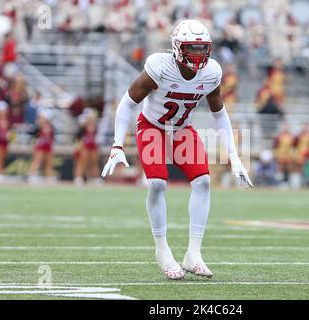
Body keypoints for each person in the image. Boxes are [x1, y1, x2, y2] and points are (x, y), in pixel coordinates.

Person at [101, 20, 252, 280]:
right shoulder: (160, 66)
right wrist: (116, 144)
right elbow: (127, 104)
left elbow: (220, 114)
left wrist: (235, 156)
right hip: (152, 126)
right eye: (192, 48)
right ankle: (162, 250)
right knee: (158, 184)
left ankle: (194, 254)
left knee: (203, 181)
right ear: (177, 47)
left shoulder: (212, 72)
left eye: (202, 48)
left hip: (182, 128)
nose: (198, 54)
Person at [74, 108, 102, 186]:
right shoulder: (83, 126)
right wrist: (78, 146)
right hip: (84, 145)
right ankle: (79, 178)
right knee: (82, 162)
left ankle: (95, 178)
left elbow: (97, 136)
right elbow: (78, 137)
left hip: (93, 145)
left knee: (94, 162)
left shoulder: (95, 126)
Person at [28, 111, 55, 184]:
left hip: (48, 146)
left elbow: (52, 137)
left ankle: (49, 177)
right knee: (37, 161)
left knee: (49, 162)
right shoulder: (38, 126)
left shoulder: (51, 127)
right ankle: (32, 176)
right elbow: (32, 134)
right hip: (40, 146)